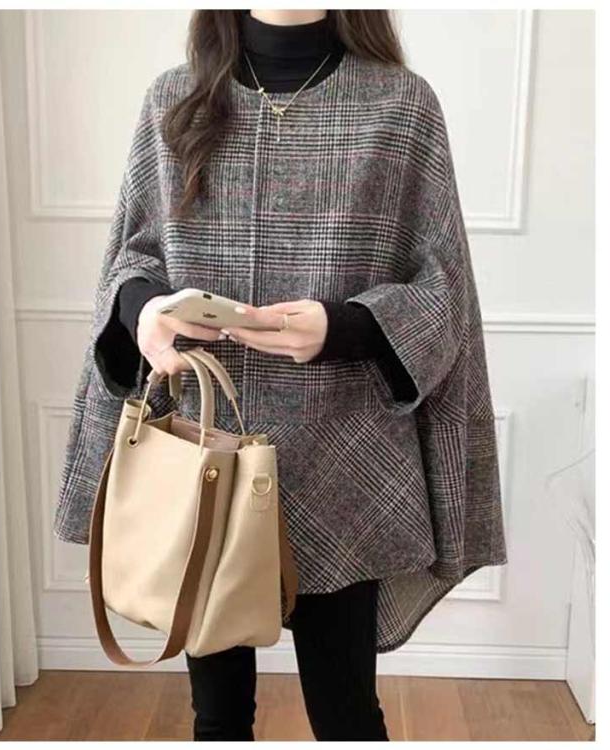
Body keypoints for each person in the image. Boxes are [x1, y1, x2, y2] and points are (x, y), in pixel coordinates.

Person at [54, 9, 507, 742]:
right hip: (203, 457)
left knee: (347, 713)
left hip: (348, 461)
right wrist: (147, 311)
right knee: (217, 715)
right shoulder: (175, 98)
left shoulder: (402, 104)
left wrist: (344, 326)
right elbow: (132, 256)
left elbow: (443, 288)